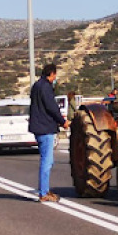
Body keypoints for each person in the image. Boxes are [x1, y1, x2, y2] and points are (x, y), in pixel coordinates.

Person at [29, 64, 70, 202]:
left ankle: (44, 190)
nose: (55, 78)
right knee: (47, 161)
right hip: (45, 127)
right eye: (55, 76)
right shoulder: (46, 87)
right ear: (51, 74)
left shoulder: (36, 86)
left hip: (38, 127)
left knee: (48, 160)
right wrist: (62, 121)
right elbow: (51, 107)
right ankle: (43, 193)